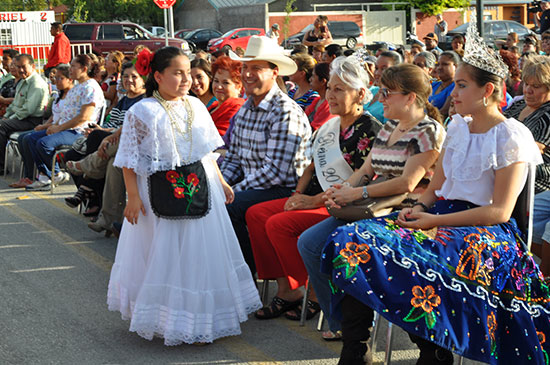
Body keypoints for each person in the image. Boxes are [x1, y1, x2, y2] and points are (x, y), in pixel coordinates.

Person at [321, 21, 548, 365]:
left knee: (425, 258)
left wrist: (434, 218)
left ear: (487, 91)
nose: (451, 93)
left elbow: (500, 211)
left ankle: (432, 351)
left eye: (461, 85)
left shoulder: (511, 136)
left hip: (485, 231)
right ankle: (355, 349)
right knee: (352, 238)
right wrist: (418, 209)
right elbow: (435, 188)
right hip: (441, 213)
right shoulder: (457, 125)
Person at [107, 46, 261, 345]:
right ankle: (165, 320)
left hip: (200, 188)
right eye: (177, 73)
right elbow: (129, 158)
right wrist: (133, 197)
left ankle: (199, 320)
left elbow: (206, 153)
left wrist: (222, 182)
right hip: (157, 192)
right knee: (164, 254)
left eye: (187, 73)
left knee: (199, 254)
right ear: (157, 76)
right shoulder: (142, 111)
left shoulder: (197, 106)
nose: (186, 79)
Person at [298, 62, 446, 343]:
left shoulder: (429, 131)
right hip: (371, 207)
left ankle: (356, 327)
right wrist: (340, 189)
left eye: (387, 93)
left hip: (404, 213)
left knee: (343, 244)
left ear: (410, 97)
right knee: (310, 244)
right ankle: (340, 319)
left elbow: (407, 183)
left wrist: (356, 194)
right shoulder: (390, 126)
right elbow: (365, 171)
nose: (380, 98)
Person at [247, 56, 381, 321]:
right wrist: (297, 195)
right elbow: (309, 167)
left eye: (339, 89)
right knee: (256, 214)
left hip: (343, 205)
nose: (329, 95)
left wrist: (311, 202)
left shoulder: (371, 130)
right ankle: (287, 290)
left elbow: (360, 179)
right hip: (314, 197)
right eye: (329, 88)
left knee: (279, 224)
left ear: (361, 94)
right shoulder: (329, 126)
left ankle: (315, 292)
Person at [222, 36, 312, 275]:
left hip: (285, 188)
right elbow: (233, 158)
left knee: (229, 207)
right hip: (256, 185)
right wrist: (219, 183)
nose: (247, 74)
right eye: (245, 68)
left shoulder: (284, 111)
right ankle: (227, 274)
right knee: (205, 200)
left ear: (274, 73)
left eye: (256, 68)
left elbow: (276, 173)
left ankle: (249, 274)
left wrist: (231, 191)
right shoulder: (245, 109)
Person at [63, 61, 146, 226]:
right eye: (125, 77)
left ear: (144, 80)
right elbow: (112, 123)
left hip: (133, 144)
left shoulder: (145, 101)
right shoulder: (123, 100)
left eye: (134, 77)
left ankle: (87, 184)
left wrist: (106, 132)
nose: (129, 80)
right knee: (75, 155)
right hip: (113, 142)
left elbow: (131, 129)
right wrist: (103, 129)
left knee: (97, 141)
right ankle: (94, 200)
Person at [25, 54, 105, 191]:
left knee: (44, 143)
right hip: (64, 128)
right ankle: (45, 176)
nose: (70, 69)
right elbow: (64, 113)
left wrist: (58, 128)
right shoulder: (77, 87)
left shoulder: (90, 87)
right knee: (30, 139)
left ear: (84, 69)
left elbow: (83, 117)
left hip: (79, 131)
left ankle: (56, 173)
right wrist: (53, 126)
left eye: (73, 66)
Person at [9, 64, 73, 189]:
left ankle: (52, 173)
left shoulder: (73, 96)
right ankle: (40, 175)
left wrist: (47, 127)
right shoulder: (59, 95)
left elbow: (67, 119)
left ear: (70, 79)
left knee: (37, 140)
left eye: (60, 78)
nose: (56, 81)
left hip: (67, 129)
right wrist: (44, 125)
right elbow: (54, 115)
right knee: (26, 138)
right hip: (55, 126)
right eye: (56, 78)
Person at [0, 54, 49, 175]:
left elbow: (28, 109)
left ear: (32, 66)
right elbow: (15, 104)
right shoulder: (23, 81)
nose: (21, 70)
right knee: (2, 122)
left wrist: (9, 119)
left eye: (23, 67)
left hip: (32, 120)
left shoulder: (36, 84)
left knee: (1, 126)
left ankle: (1, 166)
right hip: (21, 118)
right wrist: (7, 116)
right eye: (18, 67)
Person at [209, 56, 244, 136]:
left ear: (239, 86)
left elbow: (219, 138)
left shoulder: (237, 108)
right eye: (216, 81)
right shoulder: (214, 105)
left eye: (225, 83)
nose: (218, 86)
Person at [364, 51, 402, 123]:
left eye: (384, 69)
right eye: (376, 68)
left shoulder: (396, 98)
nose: (377, 73)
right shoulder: (371, 91)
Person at [305, 62, 334, 130]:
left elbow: (315, 129)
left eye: (313, 76)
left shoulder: (329, 105)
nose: (310, 79)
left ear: (323, 81)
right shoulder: (317, 100)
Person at [429, 51, 459, 117]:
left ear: (456, 67)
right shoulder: (433, 85)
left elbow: (444, 112)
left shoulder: (456, 87)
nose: (439, 68)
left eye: (445, 64)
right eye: (438, 64)